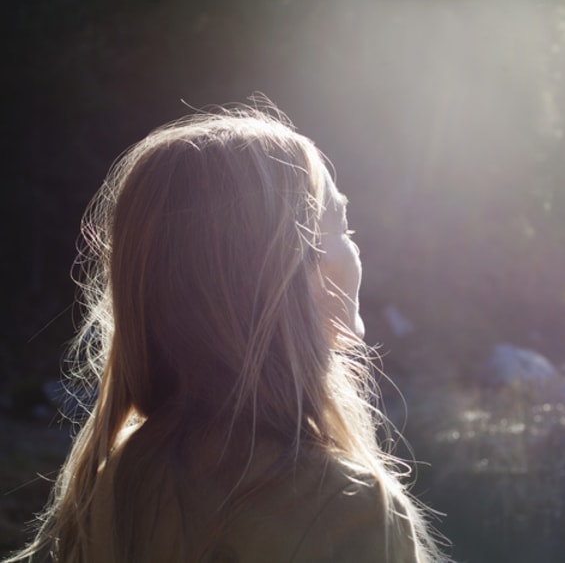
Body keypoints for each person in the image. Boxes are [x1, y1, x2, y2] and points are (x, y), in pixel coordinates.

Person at [7, 105, 445, 562]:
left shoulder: (110, 481)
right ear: (297, 269)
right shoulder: (347, 507)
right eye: (344, 226)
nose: (356, 248)